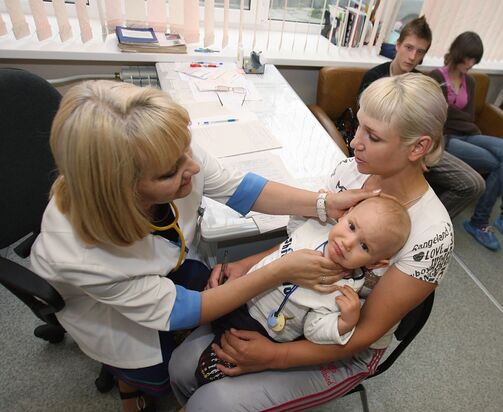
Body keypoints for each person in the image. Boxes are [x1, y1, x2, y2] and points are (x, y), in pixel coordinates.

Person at [29, 81, 372, 412]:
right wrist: (277, 271)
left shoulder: (166, 151)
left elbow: (240, 188)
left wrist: (323, 204)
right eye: (170, 173)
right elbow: (183, 311)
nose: (193, 167)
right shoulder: (80, 255)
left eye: (187, 150)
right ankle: (127, 386)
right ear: (121, 190)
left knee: (202, 299)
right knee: (157, 377)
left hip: (163, 269)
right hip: (101, 307)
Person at [169, 73, 455, 411]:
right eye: (359, 125)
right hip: (284, 305)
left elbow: (363, 333)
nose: (355, 141)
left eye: (373, 136)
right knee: (181, 367)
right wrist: (247, 265)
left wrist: (276, 356)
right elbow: (308, 244)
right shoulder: (351, 173)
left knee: (213, 403)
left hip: (340, 339)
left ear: (419, 147)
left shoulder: (432, 236)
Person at [194, 197, 411, 386]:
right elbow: (288, 234)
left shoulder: (344, 290)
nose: (347, 243)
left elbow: (313, 330)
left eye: (364, 247)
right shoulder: (316, 227)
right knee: (196, 284)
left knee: (211, 369)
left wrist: (344, 322)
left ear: (375, 264)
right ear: (346, 214)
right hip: (243, 291)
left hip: (258, 331)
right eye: (352, 227)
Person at [358, 15, 485, 219]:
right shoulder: (375, 78)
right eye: (409, 47)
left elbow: (434, 127)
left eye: (420, 51)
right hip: (392, 151)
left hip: (421, 151)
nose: (412, 56)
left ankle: (419, 221)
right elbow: (365, 127)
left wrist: (427, 152)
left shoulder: (423, 84)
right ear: (397, 45)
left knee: (473, 184)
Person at [430, 32, 503, 252]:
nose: (471, 63)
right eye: (469, 58)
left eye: (475, 59)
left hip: (469, 133)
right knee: (498, 163)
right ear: (458, 54)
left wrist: (450, 112)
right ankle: (479, 222)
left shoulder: (471, 82)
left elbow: (467, 117)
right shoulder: (436, 77)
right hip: (448, 138)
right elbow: (437, 116)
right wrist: (452, 115)